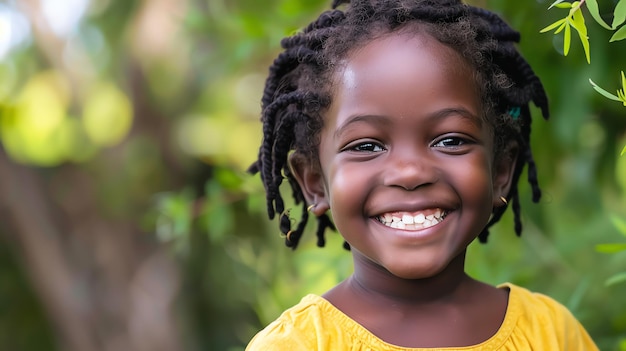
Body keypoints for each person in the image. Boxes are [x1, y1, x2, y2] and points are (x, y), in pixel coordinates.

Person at [246, 0, 599, 349]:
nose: (411, 172)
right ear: (314, 182)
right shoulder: (298, 345)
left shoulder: (552, 334)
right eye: (366, 146)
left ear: (501, 171)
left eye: (450, 140)